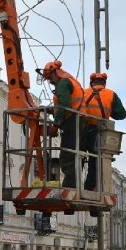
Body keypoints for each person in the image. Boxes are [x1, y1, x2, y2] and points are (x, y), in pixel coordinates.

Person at [39, 60, 84, 188]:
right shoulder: (70, 80)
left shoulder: (63, 83)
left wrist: (56, 125)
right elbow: (66, 104)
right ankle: (73, 185)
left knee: (66, 156)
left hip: (73, 121)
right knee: (74, 156)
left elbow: (64, 105)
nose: (50, 82)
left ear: (54, 73)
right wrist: (53, 110)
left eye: (49, 78)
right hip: (79, 120)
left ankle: (69, 187)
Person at [80, 72, 126, 190]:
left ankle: (73, 185)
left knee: (77, 157)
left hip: (81, 129)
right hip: (98, 132)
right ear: (104, 83)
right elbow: (122, 114)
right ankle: (88, 188)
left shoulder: (83, 92)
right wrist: (109, 110)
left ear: (92, 83)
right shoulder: (110, 94)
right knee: (95, 163)